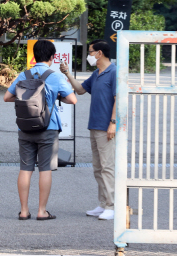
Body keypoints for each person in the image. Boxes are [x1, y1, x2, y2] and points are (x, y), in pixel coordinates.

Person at [4, 39, 77, 221]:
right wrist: (53, 99)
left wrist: (25, 100)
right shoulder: (56, 76)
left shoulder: (24, 75)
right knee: (45, 169)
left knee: (25, 168)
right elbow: (72, 99)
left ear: (34, 56)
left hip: (25, 127)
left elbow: (7, 97)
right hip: (48, 128)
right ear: (52, 57)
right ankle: (41, 211)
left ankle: (23, 211)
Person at [60, 39, 116, 220]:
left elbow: (119, 98)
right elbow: (81, 90)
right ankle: (103, 204)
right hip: (95, 125)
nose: (89, 55)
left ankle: (112, 205)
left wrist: (113, 123)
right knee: (98, 168)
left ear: (100, 53)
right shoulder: (97, 73)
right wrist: (67, 73)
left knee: (107, 167)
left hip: (106, 126)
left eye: (91, 52)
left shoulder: (114, 72)